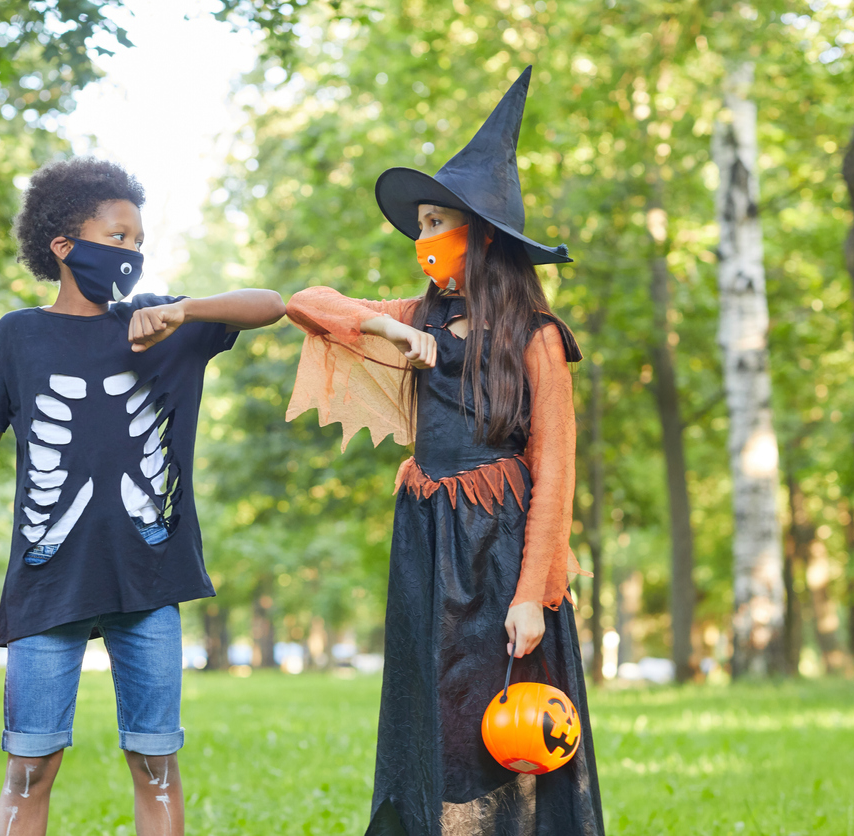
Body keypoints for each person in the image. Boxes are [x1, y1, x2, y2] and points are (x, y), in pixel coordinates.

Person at [0, 157, 285, 836]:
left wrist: (183, 310)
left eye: (141, 243)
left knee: (157, 765)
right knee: (29, 769)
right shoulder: (19, 335)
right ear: (64, 246)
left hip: (149, 576)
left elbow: (273, 304)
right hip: (46, 577)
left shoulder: (161, 321)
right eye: (119, 238)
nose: (133, 253)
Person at [285, 67, 603, 835]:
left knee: (499, 714)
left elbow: (555, 472)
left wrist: (534, 591)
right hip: (426, 540)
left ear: (483, 234)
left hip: (497, 549)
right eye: (421, 223)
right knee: (430, 708)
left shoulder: (537, 339)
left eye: (436, 222)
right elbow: (306, 303)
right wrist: (389, 330)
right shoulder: (415, 317)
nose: (423, 238)